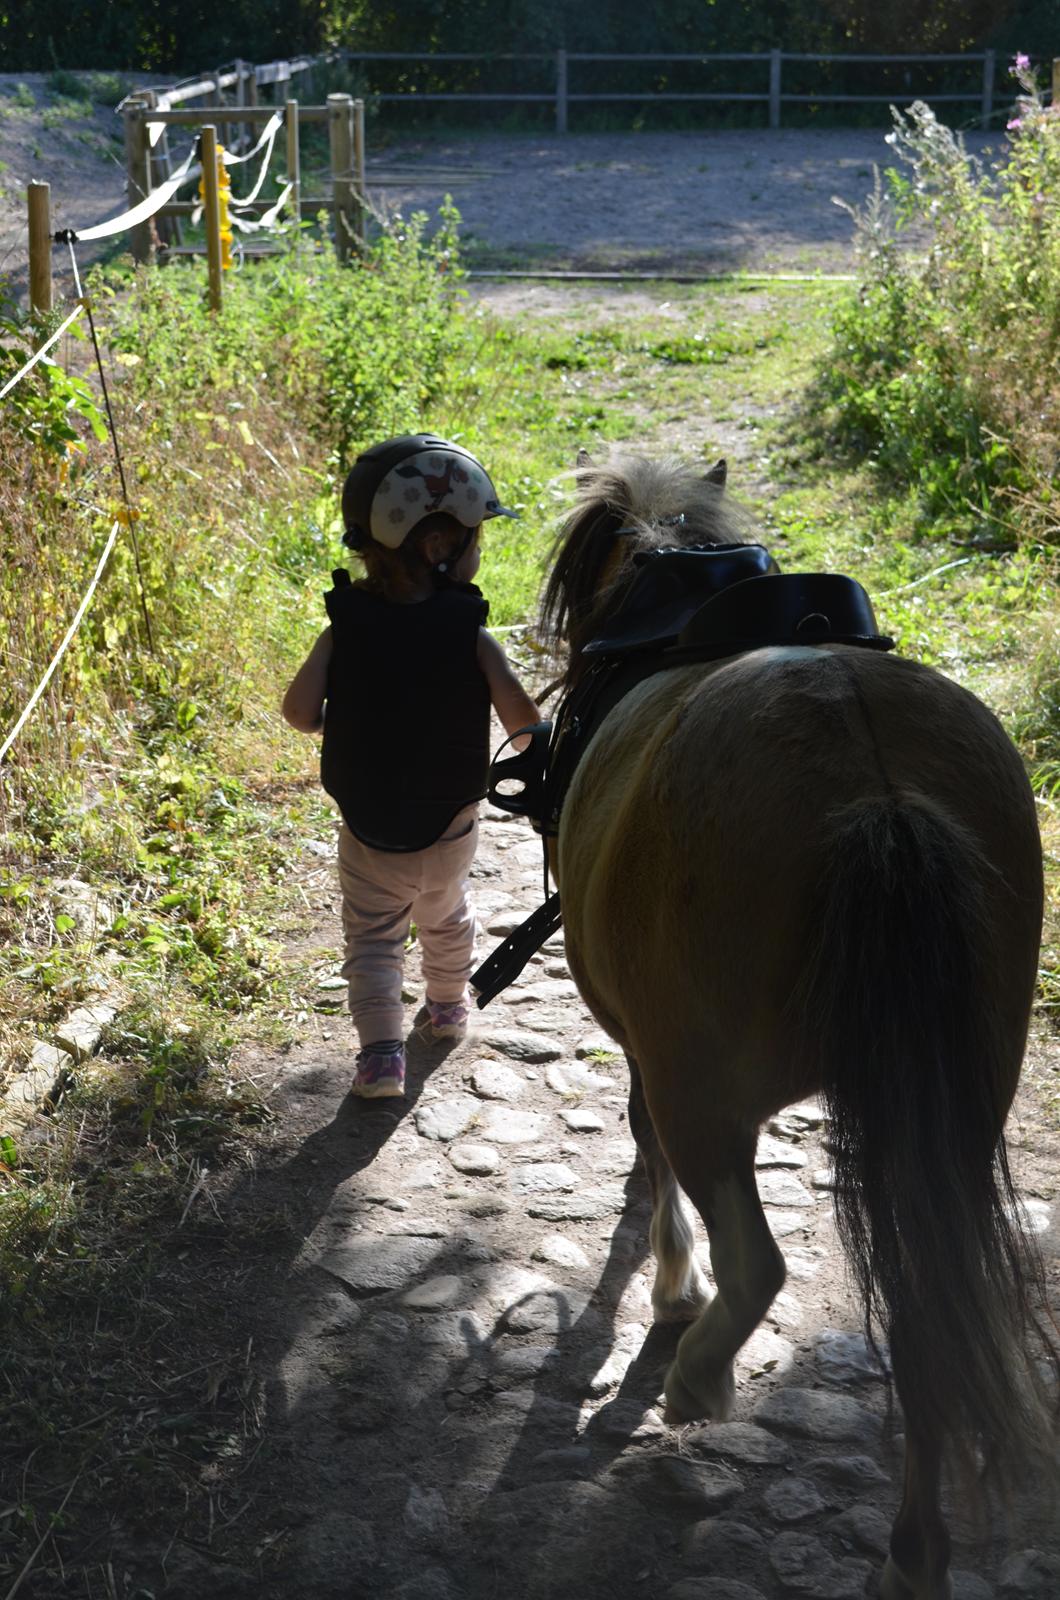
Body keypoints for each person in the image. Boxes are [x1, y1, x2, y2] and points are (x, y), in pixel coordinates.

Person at [282, 434, 541, 1099]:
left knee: (371, 941)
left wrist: (330, 718)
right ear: (440, 549)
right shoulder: (471, 635)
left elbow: (298, 712)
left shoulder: (343, 629)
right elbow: (525, 726)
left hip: (369, 833)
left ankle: (380, 1059)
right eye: (475, 538)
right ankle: (450, 1008)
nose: (479, 550)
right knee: (447, 914)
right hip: (450, 827)